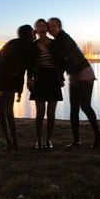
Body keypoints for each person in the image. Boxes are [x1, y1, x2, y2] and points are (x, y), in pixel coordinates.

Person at [47, 17, 100, 149]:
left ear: (60, 27)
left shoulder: (64, 37)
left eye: (54, 26)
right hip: (73, 74)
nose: (52, 28)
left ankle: (98, 135)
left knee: (85, 106)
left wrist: (59, 64)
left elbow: (59, 58)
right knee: (73, 109)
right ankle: (76, 141)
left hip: (84, 72)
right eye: (50, 26)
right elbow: (61, 61)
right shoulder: (56, 41)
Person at [0, 25, 35, 151]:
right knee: (4, 113)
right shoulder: (15, 45)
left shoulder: (25, 47)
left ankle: (13, 142)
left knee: (7, 113)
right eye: (32, 32)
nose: (34, 34)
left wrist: (19, 91)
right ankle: (10, 142)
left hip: (8, 84)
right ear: (27, 34)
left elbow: (22, 72)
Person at [27, 19, 64, 150]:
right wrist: (29, 79)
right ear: (36, 29)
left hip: (53, 79)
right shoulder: (32, 45)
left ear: (47, 29)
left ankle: (48, 140)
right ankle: (38, 141)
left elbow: (60, 62)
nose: (42, 27)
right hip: (39, 79)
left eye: (44, 26)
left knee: (51, 114)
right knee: (40, 114)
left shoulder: (54, 44)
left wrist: (61, 77)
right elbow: (29, 65)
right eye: (39, 26)